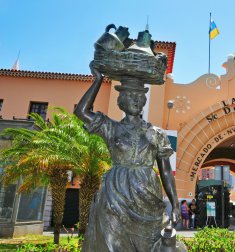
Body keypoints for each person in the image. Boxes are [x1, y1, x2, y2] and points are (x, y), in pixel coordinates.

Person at [75, 62, 180, 252]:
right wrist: (98, 80)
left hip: (147, 196)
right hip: (115, 195)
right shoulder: (111, 127)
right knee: (110, 244)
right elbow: (82, 112)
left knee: (152, 244)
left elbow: (165, 171)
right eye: (130, 95)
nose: (136, 99)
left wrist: (175, 205)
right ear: (121, 100)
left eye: (140, 96)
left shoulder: (157, 133)